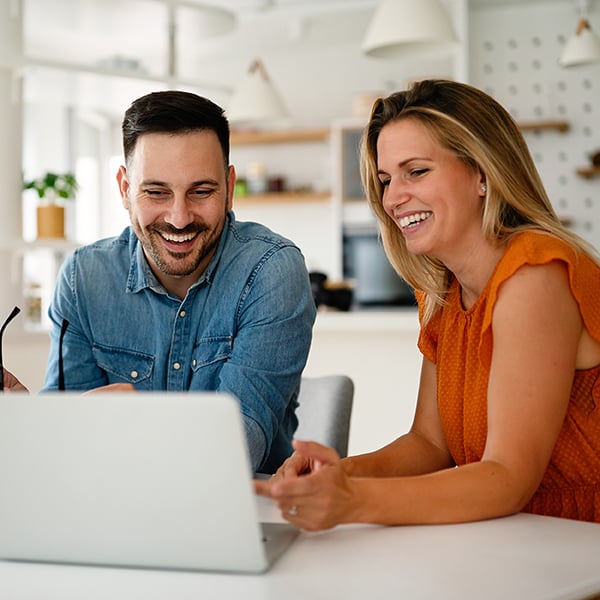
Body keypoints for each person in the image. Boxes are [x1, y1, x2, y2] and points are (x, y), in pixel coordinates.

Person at [256, 79, 600, 528]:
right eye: (385, 179)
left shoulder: (535, 275)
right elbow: (429, 444)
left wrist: (355, 500)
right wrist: (338, 474)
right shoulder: (444, 295)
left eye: (416, 171)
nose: (394, 198)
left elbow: (508, 477)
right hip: (517, 540)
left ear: (482, 173)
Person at [6, 90, 316, 474]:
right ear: (124, 189)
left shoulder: (271, 272)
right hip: (109, 513)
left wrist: (114, 430)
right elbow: (66, 452)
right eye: (156, 192)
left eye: (201, 192)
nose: (180, 217)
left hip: (239, 515)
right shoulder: (84, 279)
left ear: (230, 187)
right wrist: (26, 421)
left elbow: (235, 450)